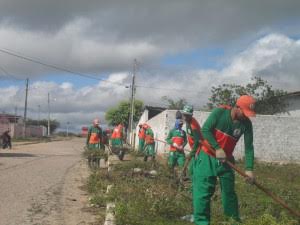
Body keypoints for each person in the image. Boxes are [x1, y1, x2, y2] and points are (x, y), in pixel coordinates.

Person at [193, 95, 256, 225]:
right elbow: (205, 130)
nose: (246, 116)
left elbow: (249, 147)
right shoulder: (219, 113)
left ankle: (232, 221)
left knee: (229, 193)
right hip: (207, 156)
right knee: (203, 193)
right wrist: (217, 148)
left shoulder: (246, 124)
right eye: (244, 112)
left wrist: (249, 169)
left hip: (226, 160)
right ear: (237, 107)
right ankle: (202, 222)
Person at [181, 105, 203, 177]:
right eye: (184, 115)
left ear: (191, 115)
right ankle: (188, 178)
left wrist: (192, 153)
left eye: (187, 115)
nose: (185, 117)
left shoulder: (194, 126)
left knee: (195, 168)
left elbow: (198, 141)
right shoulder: (188, 121)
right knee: (192, 167)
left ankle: (192, 180)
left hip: (199, 149)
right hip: (194, 148)